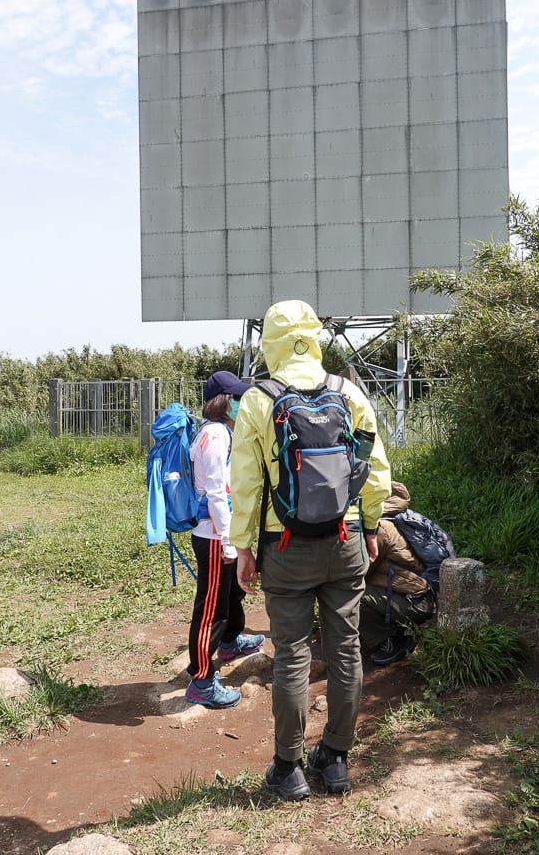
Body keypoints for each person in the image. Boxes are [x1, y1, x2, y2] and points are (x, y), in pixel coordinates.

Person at [229, 300, 392, 799]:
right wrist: (367, 526)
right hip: (344, 542)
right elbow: (374, 470)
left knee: (293, 656)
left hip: (286, 547)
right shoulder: (348, 392)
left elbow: (247, 484)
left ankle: (289, 768)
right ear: (316, 337)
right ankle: (337, 760)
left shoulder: (259, 399)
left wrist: (243, 548)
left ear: (270, 342)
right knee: (346, 650)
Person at [184, 370, 265, 709]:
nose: (239, 403)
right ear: (222, 401)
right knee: (211, 608)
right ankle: (201, 679)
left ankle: (230, 641)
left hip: (220, 532)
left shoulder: (216, 431)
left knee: (231, 593)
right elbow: (217, 492)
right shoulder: (216, 435)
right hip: (215, 535)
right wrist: (230, 542)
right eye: (235, 398)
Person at [359, 481, 437, 665]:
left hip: (415, 604)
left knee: (350, 594)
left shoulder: (380, 530)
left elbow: (360, 572)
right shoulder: (393, 518)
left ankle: (392, 640)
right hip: (415, 597)